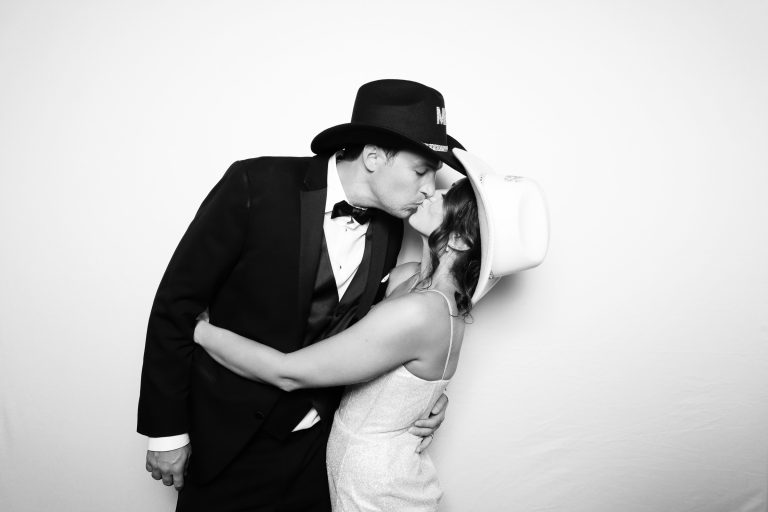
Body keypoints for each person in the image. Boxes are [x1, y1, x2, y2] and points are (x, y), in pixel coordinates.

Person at [138, 79, 468, 512]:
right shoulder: (256, 184)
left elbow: (375, 337)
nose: (428, 189)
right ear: (373, 157)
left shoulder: (393, 226)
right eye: (421, 171)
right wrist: (166, 432)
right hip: (227, 443)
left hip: (317, 454)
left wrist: (420, 399)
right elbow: (176, 303)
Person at [192, 148, 550, 512]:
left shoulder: (421, 312)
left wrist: (201, 331)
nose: (432, 192)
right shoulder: (409, 279)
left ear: (459, 240)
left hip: (376, 490)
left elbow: (288, 372)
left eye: (447, 197)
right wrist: (424, 401)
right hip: (350, 472)